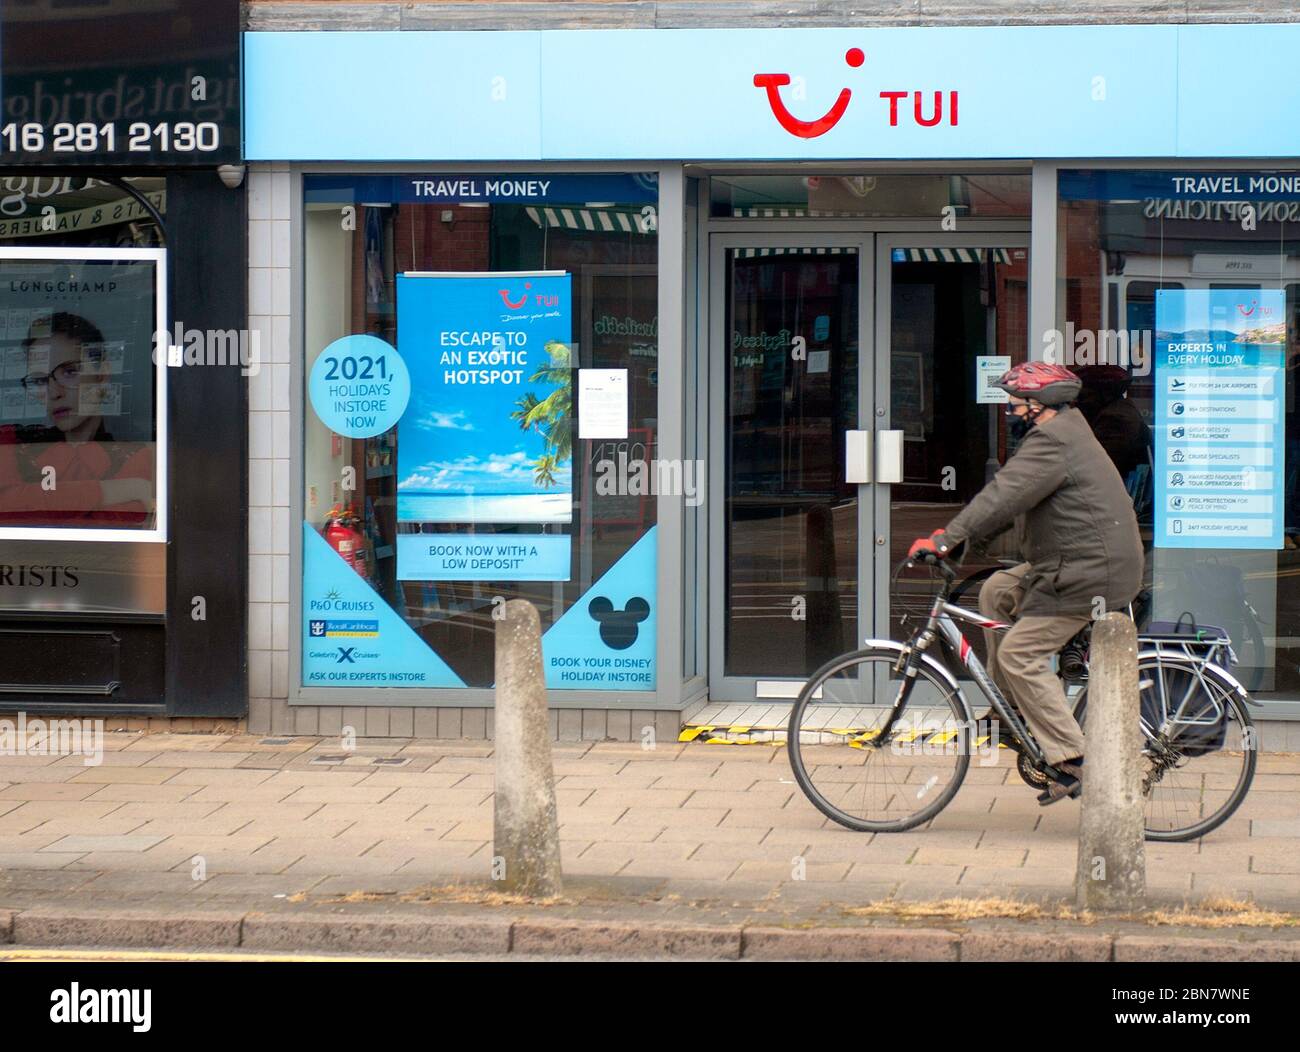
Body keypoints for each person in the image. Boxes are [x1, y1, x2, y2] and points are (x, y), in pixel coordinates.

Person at [908, 361, 1144, 804]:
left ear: (1040, 405)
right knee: (996, 590)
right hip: (1073, 560)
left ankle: (1074, 759)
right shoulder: (1063, 433)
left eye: (1016, 404)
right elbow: (1014, 501)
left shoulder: (1055, 441)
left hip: (1089, 571)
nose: (1011, 411)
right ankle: (1010, 709)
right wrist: (965, 544)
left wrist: (944, 540)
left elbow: (1002, 495)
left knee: (1020, 653)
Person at [0, 312, 153, 527]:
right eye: (40, 380)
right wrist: (110, 490)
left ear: (102, 374)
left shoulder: (132, 455)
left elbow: (115, 527)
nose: (54, 392)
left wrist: (30, 499)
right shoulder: (13, 441)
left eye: (70, 372)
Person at [1073, 363, 1151, 482]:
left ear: (1101, 393)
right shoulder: (1119, 410)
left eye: (1083, 395)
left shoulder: (1116, 419)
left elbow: (1095, 465)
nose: (1077, 401)